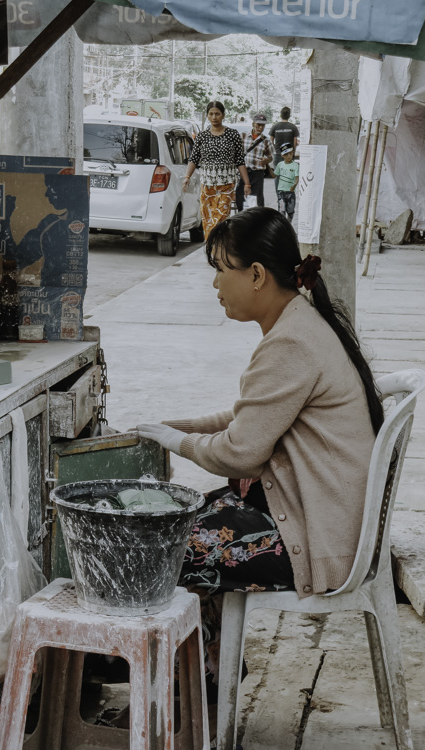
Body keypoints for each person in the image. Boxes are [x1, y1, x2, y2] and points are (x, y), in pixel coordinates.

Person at [138, 207, 382, 704]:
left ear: (255, 275)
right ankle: (205, 683)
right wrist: (178, 427)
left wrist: (176, 442)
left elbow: (243, 452)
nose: (214, 286)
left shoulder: (291, 342)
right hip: (314, 515)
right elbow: (249, 416)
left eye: (219, 271)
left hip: (315, 538)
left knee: (158, 547)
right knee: (180, 518)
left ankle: (194, 687)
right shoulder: (299, 324)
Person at [182, 101, 251, 241]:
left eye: (217, 114)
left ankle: (216, 248)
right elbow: (194, 159)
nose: (214, 117)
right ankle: (212, 250)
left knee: (220, 219)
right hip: (207, 187)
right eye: (211, 114)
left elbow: (240, 161)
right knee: (207, 220)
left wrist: (247, 183)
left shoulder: (232, 135)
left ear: (223, 115)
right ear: (207, 116)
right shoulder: (202, 136)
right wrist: (187, 176)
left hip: (226, 186)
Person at [234, 113, 275, 211]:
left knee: (257, 201)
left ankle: (257, 222)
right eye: (258, 124)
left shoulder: (266, 141)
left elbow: (271, 157)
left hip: (257, 174)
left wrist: (266, 160)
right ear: (253, 124)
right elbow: (235, 153)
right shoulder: (243, 136)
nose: (260, 127)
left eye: (263, 125)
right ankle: (242, 219)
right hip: (243, 172)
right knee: (240, 198)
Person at [270, 106, 300, 198]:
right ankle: (288, 195)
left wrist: (276, 150)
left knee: (278, 176)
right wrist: (293, 153)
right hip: (289, 156)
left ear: (280, 114)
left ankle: (279, 196)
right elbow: (295, 142)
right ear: (289, 115)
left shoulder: (275, 127)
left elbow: (271, 142)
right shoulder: (293, 127)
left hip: (278, 155)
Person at [274, 142, 299, 221]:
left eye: (290, 154)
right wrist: (267, 166)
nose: (289, 156)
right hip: (281, 192)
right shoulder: (280, 165)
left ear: (292, 153)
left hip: (290, 193)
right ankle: (283, 227)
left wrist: (294, 185)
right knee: (281, 211)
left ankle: (289, 225)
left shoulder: (295, 165)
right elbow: (275, 175)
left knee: (291, 211)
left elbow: (297, 178)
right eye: (286, 154)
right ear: (282, 155)